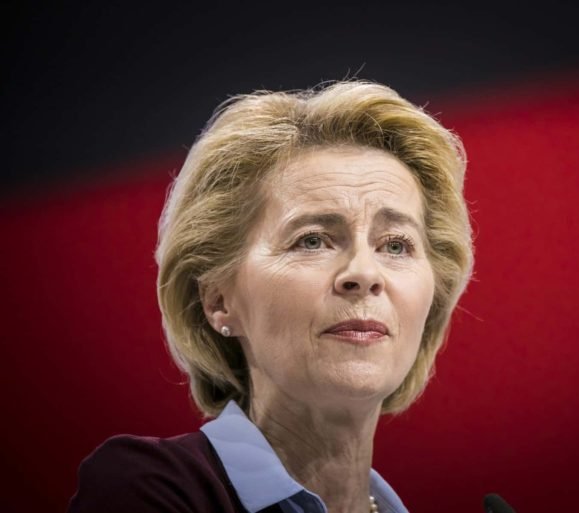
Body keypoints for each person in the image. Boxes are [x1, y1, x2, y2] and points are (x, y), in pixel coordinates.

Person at [69, 80, 474, 513]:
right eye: (312, 240)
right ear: (218, 300)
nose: (364, 273)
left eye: (395, 245)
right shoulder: (151, 490)